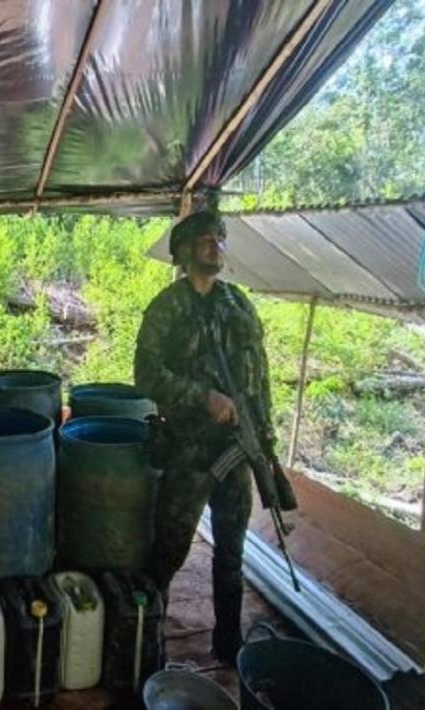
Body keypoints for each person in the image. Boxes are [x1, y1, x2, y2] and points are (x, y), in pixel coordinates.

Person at [133, 209, 275, 664]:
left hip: (236, 447)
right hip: (189, 451)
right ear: (184, 251)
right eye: (205, 240)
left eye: (220, 238)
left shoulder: (237, 304)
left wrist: (264, 430)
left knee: (231, 554)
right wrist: (201, 396)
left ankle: (230, 648)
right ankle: (146, 646)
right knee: (170, 551)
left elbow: (260, 370)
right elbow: (145, 375)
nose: (216, 246)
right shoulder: (166, 308)